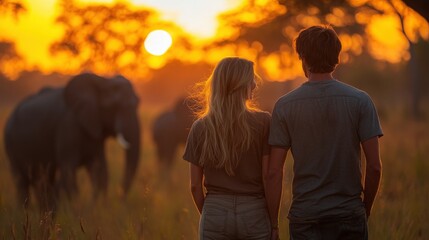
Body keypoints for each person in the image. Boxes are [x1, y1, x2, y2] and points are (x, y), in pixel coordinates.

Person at [265, 25, 383, 240]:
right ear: (336, 58)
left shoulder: (284, 105)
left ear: (303, 58)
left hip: (305, 217)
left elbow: (274, 172)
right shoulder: (360, 100)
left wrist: (273, 224)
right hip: (349, 214)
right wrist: (365, 208)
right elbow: (374, 166)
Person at [183, 57, 275, 239]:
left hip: (215, 210)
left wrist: (211, 215)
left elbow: (195, 186)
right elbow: (267, 176)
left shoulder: (200, 126)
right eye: (251, 80)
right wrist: (274, 223)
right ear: (241, 84)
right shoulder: (264, 122)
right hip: (254, 210)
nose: (255, 85)